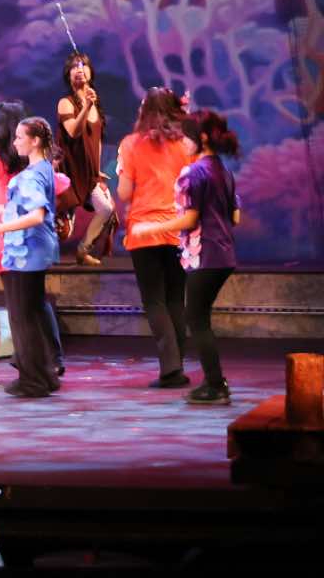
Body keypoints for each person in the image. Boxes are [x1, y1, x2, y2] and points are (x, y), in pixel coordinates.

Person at [126, 109, 240, 405]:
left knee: (196, 319)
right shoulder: (223, 171)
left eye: (187, 138)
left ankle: (215, 385)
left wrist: (150, 227)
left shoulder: (195, 172)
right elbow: (235, 217)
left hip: (206, 255)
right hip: (224, 253)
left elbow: (189, 219)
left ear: (202, 138)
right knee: (197, 317)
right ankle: (215, 382)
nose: (183, 143)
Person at [0, 100, 68, 379]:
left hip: (9, 235)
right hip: (34, 239)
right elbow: (58, 187)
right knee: (36, 302)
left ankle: (32, 368)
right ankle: (52, 358)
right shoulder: (34, 160)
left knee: (19, 309)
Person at [115, 87, 196, 389]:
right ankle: (177, 365)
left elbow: (124, 193)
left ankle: (171, 369)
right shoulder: (185, 145)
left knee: (155, 300)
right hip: (178, 229)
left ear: (144, 111)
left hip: (144, 231)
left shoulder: (130, 144)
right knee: (176, 298)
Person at [55, 52, 115, 266]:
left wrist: (97, 168)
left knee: (106, 209)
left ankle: (83, 249)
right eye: (74, 67)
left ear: (90, 72)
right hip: (69, 172)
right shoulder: (66, 102)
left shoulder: (95, 105)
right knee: (60, 227)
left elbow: (96, 140)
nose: (79, 69)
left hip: (88, 173)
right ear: (68, 75)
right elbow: (73, 131)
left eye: (83, 66)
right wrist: (87, 106)